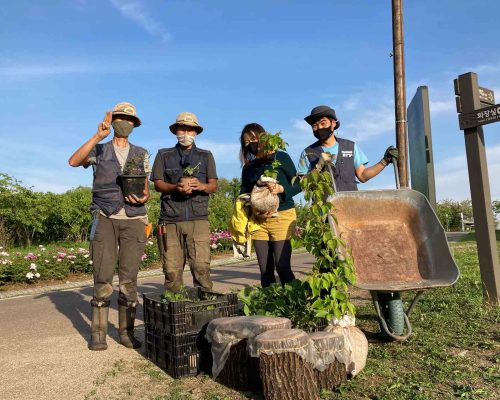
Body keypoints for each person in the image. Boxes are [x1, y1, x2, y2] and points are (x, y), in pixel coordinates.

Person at [68, 102, 150, 351]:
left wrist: (143, 198)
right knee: (102, 277)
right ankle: (99, 333)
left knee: (129, 280)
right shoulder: (100, 150)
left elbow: (145, 188)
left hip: (134, 219)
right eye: (120, 117)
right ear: (112, 121)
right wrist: (97, 136)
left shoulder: (141, 153)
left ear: (134, 125)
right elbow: (73, 161)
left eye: (129, 119)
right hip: (104, 216)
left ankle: (126, 333)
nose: (124, 122)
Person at [151, 112, 217, 293]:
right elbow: (157, 184)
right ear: (176, 131)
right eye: (182, 128)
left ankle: (206, 308)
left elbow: (213, 185)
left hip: (198, 219)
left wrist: (200, 186)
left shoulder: (206, 156)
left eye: (190, 129)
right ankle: (175, 311)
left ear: (196, 132)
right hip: (170, 219)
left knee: (201, 268)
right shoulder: (164, 155)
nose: (186, 132)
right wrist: (175, 188)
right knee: (171, 271)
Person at [239, 123, 301, 287]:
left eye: (253, 139)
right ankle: (271, 305)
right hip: (258, 221)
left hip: (282, 215)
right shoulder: (248, 168)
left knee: (282, 267)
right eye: (246, 142)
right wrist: (253, 207)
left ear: (264, 137)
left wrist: (282, 189)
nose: (251, 144)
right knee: (265, 270)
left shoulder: (280, 157)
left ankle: (295, 303)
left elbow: (299, 183)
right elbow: (243, 193)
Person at [297, 105, 398, 190]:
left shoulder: (350, 147)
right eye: (315, 125)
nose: (319, 128)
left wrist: (384, 161)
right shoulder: (308, 153)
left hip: (350, 207)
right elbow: (302, 185)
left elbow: (362, 176)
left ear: (333, 123)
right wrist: (318, 166)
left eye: (323, 123)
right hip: (324, 209)